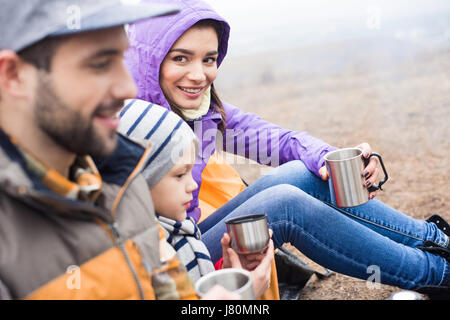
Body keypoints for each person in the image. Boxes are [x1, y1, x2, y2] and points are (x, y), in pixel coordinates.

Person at [123, 0, 450, 293]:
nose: (199, 75)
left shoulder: (199, 113)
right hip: (168, 268)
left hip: (191, 236)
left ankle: (438, 241)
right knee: (285, 205)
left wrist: (325, 157)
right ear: (150, 60)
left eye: (209, 59)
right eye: (181, 58)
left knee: (302, 172)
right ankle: (439, 274)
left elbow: (272, 140)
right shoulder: (125, 124)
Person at [0, 0, 238, 300]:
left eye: (122, 60)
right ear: (13, 75)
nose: (127, 87)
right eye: (100, 65)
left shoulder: (123, 178)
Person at [118, 101, 274, 298]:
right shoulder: (146, 259)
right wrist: (245, 296)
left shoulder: (178, 232)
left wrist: (228, 276)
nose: (192, 185)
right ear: (139, 181)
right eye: (180, 175)